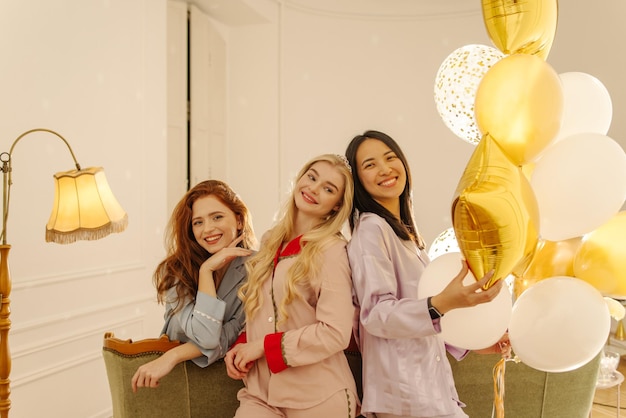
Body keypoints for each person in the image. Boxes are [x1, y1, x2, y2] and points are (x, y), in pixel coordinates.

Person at [344, 130, 509, 418]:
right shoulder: (371, 230)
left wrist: (480, 341)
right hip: (403, 395)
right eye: (369, 165)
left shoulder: (407, 237)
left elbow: (423, 319)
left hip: (431, 391)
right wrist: (441, 303)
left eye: (390, 157)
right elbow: (377, 315)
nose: (385, 169)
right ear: (358, 181)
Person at [224, 154, 359, 418]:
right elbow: (264, 309)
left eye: (328, 189)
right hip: (261, 395)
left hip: (319, 398)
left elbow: (335, 333)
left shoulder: (332, 251)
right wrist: (243, 346)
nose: (314, 188)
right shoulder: (271, 240)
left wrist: (263, 345)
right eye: (312, 177)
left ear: (336, 206)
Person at [131, 179, 256, 392]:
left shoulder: (258, 268)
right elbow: (207, 337)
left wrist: (174, 355)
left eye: (217, 217)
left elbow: (227, 335)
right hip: (174, 379)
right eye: (198, 222)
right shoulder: (175, 270)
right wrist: (206, 271)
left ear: (239, 221)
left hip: (224, 383)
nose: (208, 229)